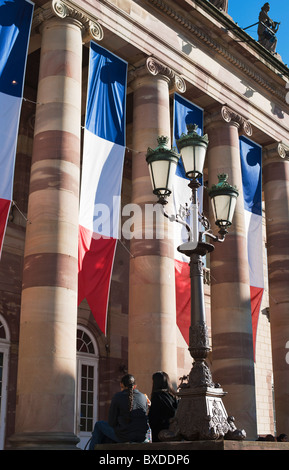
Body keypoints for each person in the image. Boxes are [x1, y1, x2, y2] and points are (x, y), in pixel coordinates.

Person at [88, 374, 150, 450]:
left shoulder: (118, 396)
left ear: (122, 385)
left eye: (121, 387)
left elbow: (111, 422)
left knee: (99, 425)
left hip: (125, 436)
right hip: (141, 437)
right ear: (135, 386)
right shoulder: (143, 397)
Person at [148, 371, 178, 442]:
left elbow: (153, 417)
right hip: (173, 430)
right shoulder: (172, 395)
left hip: (160, 432)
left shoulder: (157, 395)